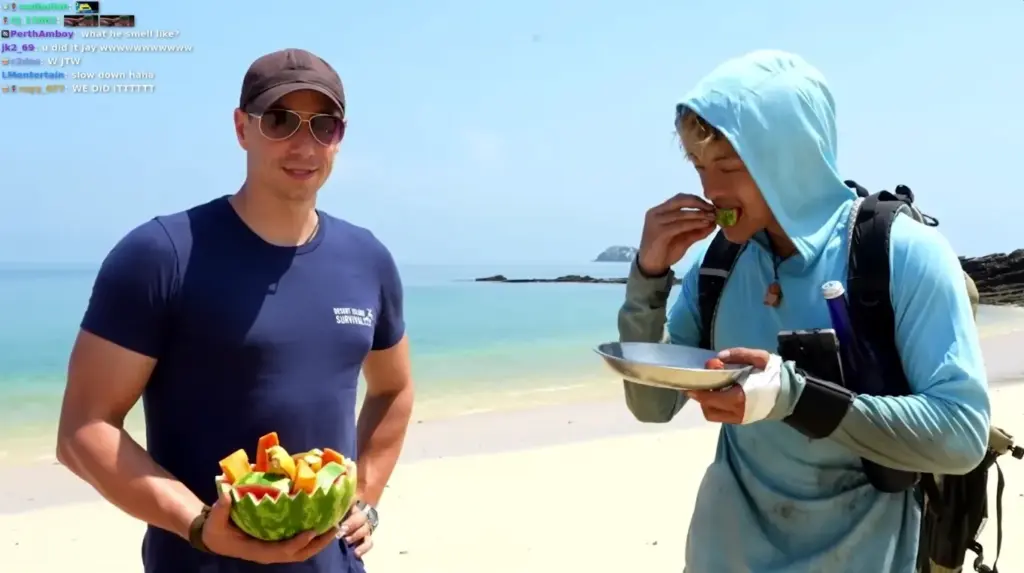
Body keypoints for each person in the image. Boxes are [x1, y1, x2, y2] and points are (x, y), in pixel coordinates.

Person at [618, 50, 990, 572]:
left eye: (729, 166)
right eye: (701, 167)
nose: (711, 189)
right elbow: (651, 406)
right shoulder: (717, 265)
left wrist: (793, 396)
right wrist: (649, 277)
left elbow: (962, 436)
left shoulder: (902, 254)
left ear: (788, 158)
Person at [55, 48, 414, 573]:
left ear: (340, 136)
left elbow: (394, 387)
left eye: (323, 125)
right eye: (280, 120)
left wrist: (366, 491)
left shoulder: (366, 259)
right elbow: (83, 429)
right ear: (242, 127)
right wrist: (199, 524)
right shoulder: (163, 254)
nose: (303, 143)